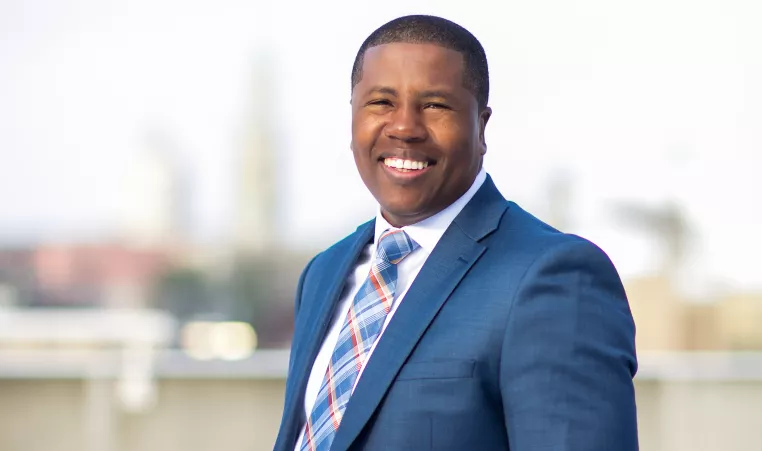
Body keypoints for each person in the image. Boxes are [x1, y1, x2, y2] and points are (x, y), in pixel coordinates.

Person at [274, 14, 638, 451]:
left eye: (435, 105)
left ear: (481, 126)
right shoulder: (324, 273)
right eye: (381, 103)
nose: (405, 127)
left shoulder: (553, 277)